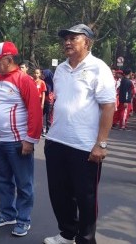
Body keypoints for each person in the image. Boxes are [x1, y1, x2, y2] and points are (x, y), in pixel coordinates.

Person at [43, 24, 116, 244]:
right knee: (59, 194)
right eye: (65, 38)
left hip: (84, 146)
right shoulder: (61, 70)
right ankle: (67, 234)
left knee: (85, 198)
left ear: (87, 42)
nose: (67, 42)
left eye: (73, 38)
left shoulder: (98, 68)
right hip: (56, 141)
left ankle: (85, 240)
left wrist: (101, 144)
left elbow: (108, 106)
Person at [0, 41, 42, 237]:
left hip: (17, 141)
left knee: (24, 183)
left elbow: (35, 111)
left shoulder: (23, 80)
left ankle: (23, 219)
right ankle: (7, 213)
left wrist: (30, 140)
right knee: (2, 180)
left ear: (8, 59)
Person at [42, 69, 54, 135]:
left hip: (49, 101)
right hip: (43, 101)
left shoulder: (52, 83)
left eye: (44, 74)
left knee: (48, 117)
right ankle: (41, 129)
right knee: (42, 116)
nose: (43, 75)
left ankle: (48, 130)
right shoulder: (43, 82)